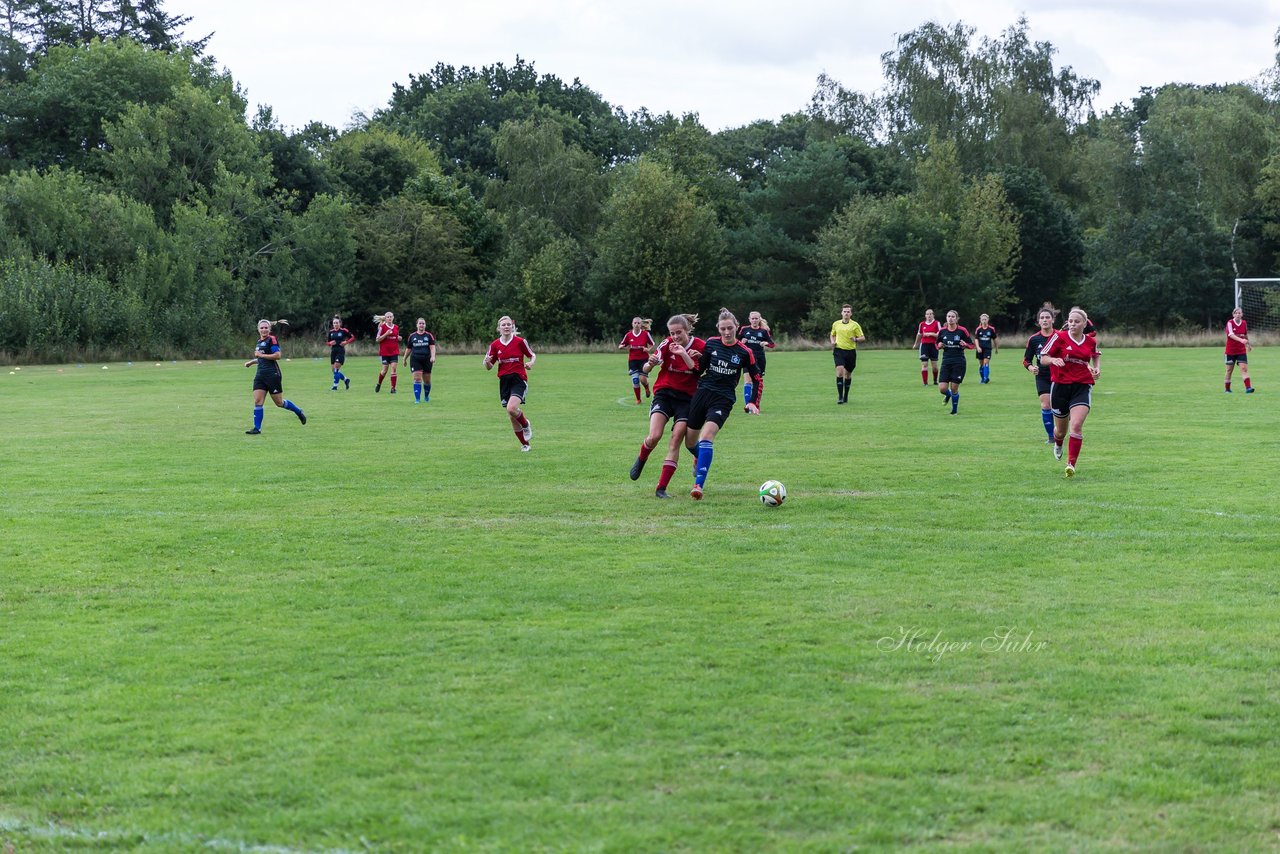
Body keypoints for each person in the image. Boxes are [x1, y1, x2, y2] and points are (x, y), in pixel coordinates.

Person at [684, 308, 762, 500]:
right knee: (690, 442)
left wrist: (753, 402)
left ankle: (698, 486)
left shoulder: (745, 352)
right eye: (723, 329)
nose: (727, 333)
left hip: (723, 399)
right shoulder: (711, 344)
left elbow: (757, 379)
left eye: (730, 328)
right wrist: (694, 358)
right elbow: (698, 371)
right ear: (718, 329)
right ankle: (699, 456)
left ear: (737, 327)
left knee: (706, 437)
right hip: (702, 394)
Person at [629, 314, 705, 498]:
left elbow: (697, 370)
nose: (675, 336)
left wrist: (683, 353)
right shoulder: (666, 343)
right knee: (654, 436)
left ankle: (661, 488)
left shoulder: (701, 346)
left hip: (687, 399)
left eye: (679, 332)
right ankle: (641, 458)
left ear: (687, 330)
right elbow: (645, 369)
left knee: (677, 437)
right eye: (672, 333)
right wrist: (650, 364)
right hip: (665, 394)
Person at [1040, 306, 1101, 477]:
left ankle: (1071, 464)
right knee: (1060, 431)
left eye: (1077, 321)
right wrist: (1054, 359)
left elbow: (1095, 354)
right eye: (1070, 321)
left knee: (1076, 425)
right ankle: (1058, 443)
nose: (1072, 324)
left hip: (1082, 386)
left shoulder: (1090, 341)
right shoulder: (1058, 337)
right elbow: (1043, 357)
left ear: (1084, 324)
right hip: (1060, 387)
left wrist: (1096, 369)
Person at [243, 319, 306, 434]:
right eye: (261, 328)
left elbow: (277, 356)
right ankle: (257, 428)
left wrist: (261, 355)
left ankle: (298, 411)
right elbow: (261, 358)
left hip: (273, 375)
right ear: (258, 329)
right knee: (258, 401)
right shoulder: (258, 341)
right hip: (260, 375)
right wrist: (252, 362)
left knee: (279, 403)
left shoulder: (272, 339)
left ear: (269, 329)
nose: (264, 330)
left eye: (266, 327)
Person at [483, 315, 536, 451]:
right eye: (503, 325)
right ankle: (525, 444)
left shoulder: (520, 341)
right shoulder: (494, 345)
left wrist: (531, 363)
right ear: (499, 328)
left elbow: (532, 354)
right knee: (512, 416)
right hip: (504, 382)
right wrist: (487, 362)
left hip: (519, 379)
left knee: (511, 408)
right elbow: (488, 367)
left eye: (508, 325)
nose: (506, 327)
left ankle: (525, 425)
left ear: (512, 327)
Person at [1022, 307, 1058, 443]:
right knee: (1046, 405)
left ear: (1052, 320)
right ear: (1038, 321)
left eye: (1047, 317)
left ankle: (1060, 430)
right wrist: (1031, 367)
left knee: (1060, 407)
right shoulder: (1034, 339)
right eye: (1042, 318)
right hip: (1042, 376)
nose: (1045, 320)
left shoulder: (1060, 336)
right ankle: (1051, 437)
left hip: (1060, 376)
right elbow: (1026, 360)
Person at [936, 310, 976, 415]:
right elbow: (937, 344)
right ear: (946, 318)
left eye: (953, 316)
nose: (950, 318)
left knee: (954, 388)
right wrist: (939, 345)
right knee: (942, 388)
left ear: (957, 318)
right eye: (948, 316)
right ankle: (947, 395)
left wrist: (965, 345)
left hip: (959, 362)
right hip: (946, 361)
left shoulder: (962, 331)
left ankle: (954, 411)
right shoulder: (942, 331)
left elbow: (972, 345)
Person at [738, 311, 776, 412]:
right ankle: (748, 406)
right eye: (753, 318)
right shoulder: (744, 329)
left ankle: (755, 404)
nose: (754, 320)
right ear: (749, 319)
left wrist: (766, 343)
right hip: (747, 358)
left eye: (756, 318)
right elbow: (736, 341)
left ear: (759, 319)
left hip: (759, 359)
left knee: (757, 383)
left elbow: (772, 344)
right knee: (747, 381)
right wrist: (741, 342)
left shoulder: (763, 331)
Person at [829, 304, 865, 405]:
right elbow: (832, 334)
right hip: (839, 350)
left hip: (850, 352)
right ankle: (840, 397)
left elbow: (863, 337)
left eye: (848, 312)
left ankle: (846, 396)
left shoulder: (855, 325)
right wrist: (832, 341)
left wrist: (856, 339)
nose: (846, 313)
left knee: (847, 375)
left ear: (851, 314)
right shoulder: (836, 324)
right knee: (840, 371)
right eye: (844, 311)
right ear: (841, 313)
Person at [618, 317, 655, 404]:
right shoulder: (628, 335)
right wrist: (622, 347)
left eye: (638, 323)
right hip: (633, 361)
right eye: (635, 323)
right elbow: (621, 345)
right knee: (635, 380)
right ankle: (638, 399)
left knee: (642, 379)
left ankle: (646, 388)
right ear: (632, 324)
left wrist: (648, 349)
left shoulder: (645, 334)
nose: (636, 325)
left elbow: (652, 344)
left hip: (644, 360)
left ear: (641, 324)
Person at [403, 317, 437, 404]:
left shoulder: (429, 336)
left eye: (423, 323)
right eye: (420, 323)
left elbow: (432, 347)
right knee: (417, 379)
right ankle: (417, 399)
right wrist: (404, 359)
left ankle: (426, 396)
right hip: (415, 359)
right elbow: (408, 349)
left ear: (425, 325)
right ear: (417, 325)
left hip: (427, 360)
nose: (421, 325)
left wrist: (433, 357)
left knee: (427, 381)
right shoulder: (412, 336)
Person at [1224, 306, 1254, 392]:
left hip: (1241, 351)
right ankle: (1227, 389)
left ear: (1242, 314)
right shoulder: (1229, 323)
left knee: (1244, 369)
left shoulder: (1244, 323)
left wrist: (1248, 344)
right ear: (1233, 314)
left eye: (1239, 313)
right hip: (1230, 351)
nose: (1238, 314)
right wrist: (1241, 340)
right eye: (1236, 313)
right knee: (1229, 370)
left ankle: (1248, 388)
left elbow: (1245, 335)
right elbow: (1231, 335)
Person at [373, 312, 400, 393]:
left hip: (394, 351)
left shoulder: (396, 327)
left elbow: (395, 337)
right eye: (388, 317)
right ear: (385, 318)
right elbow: (377, 339)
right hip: (385, 352)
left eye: (390, 317)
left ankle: (393, 388)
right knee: (384, 371)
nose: (389, 318)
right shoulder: (382, 327)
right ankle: (379, 384)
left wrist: (399, 338)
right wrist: (386, 334)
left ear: (393, 317)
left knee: (394, 369)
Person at [912, 309, 941, 386]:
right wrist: (916, 344)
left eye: (931, 314)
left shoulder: (937, 323)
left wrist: (931, 334)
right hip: (924, 345)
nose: (929, 316)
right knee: (924, 364)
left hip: (933, 345)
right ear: (925, 315)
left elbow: (940, 334)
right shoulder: (922, 324)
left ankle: (935, 381)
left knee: (934, 366)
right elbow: (919, 335)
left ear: (933, 315)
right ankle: (925, 383)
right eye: (927, 314)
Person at [326, 315, 353, 390]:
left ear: (340, 323)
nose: (335, 324)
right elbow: (327, 343)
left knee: (336, 369)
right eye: (334, 323)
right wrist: (330, 343)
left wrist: (346, 342)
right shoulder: (331, 332)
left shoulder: (343, 330)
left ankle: (335, 387)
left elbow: (352, 337)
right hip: (333, 352)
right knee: (334, 371)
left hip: (340, 351)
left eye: (337, 323)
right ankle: (346, 380)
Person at [974, 313, 998, 383]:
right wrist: (978, 347)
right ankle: (982, 378)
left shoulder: (991, 329)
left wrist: (996, 348)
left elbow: (994, 339)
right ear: (980, 320)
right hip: (980, 349)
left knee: (986, 363)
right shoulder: (978, 329)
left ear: (988, 320)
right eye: (983, 319)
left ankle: (985, 378)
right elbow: (976, 339)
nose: (984, 321)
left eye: (985, 319)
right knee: (981, 364)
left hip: (988, 349)